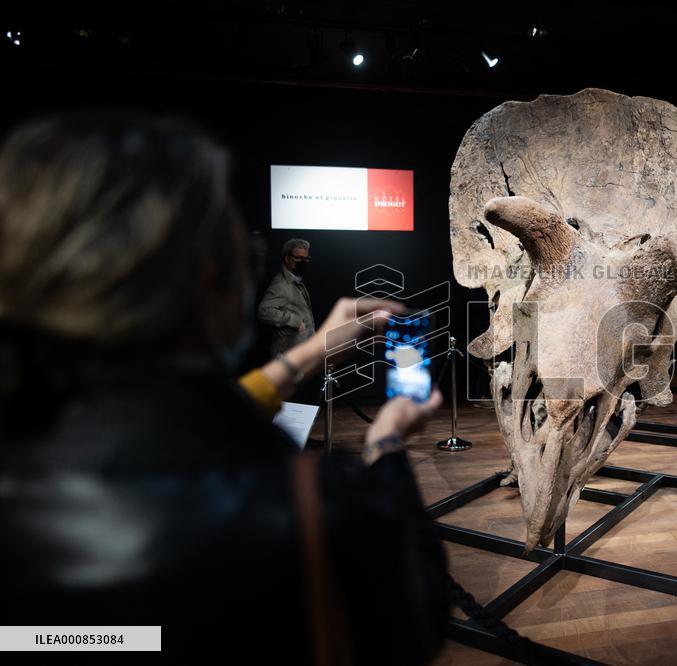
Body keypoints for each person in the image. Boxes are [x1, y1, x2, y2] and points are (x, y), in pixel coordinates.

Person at [0, 111, 448, 664]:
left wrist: (307, 353)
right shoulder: (313, 509)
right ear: (210, 280)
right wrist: (387, 444)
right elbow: (416, 616)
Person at [258, 238, 317, 358]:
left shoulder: (296, 280)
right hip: (287, 357)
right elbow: (263, 311)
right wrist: (295, 321)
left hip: (299, 353)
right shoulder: (281, 284)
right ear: (287, 259)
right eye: (299, 258)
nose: (304, 261)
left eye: (306, 258)